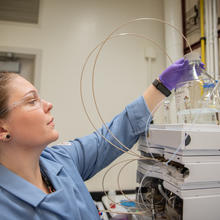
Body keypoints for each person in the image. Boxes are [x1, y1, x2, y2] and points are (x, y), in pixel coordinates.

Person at [0, 58, 193, 219]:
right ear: (2, 128)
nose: (48, 105)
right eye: (32, 100)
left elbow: (109, 139)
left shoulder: (58, 159)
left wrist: (161, 86)